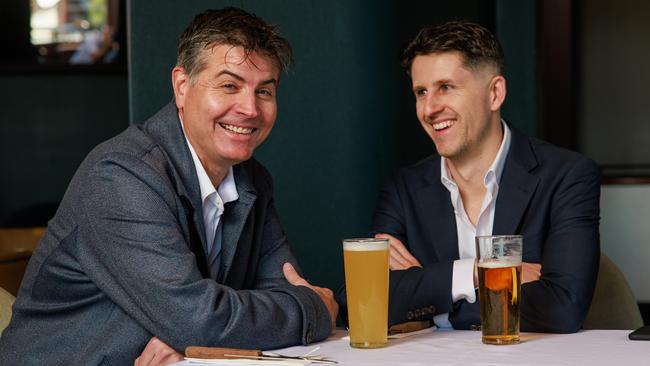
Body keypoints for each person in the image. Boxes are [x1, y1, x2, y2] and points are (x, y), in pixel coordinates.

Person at [0, 7, 337, 365]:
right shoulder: (120, 175)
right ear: (182, 86)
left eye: (265, 91)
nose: (250, 108)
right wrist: (313, 310)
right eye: (229, 85)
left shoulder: (253, 180)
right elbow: (201, 320)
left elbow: (282, 288)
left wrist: (198, 337)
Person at [373, 21, 600, 332]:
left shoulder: (567, 176)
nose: (428, 108)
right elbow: (367, 301)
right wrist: (475, 274)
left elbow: (561, 307)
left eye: (446, 87)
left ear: (495, 93)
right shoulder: (404, 187)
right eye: (420, 91)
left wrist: (430, 293)